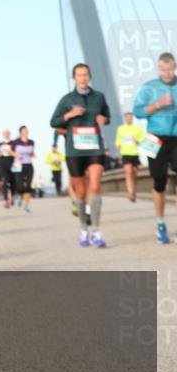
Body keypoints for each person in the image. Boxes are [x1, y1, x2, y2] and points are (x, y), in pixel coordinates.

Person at [50, 63, 111, 248]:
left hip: (95, 149)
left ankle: (97, 232)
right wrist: (69, 115)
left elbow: (107, 116)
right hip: (75, 150)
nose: (83, 78)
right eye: (79, 75)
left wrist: (104, 119)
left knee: (95, 187)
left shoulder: (99, 97)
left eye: (85, 75)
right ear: (74, 77)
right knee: (81, 192)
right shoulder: (67, 99)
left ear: (89, 76)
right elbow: (53, 121)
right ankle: (84, 230)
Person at [133, 51, 177, 244]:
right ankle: (160, 223)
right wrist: (158, 104)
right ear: (159, 68)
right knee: (159, 181)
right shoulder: (149, 87)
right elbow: (138, 112)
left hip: (176, 137)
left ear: (175, 67)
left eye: (170, 69)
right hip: (154, 137)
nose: (167, 73)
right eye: (163, 69)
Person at [115, 111, 146, 202]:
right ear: (125, 119)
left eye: (130, 117)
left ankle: (133, 189)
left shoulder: (137, 128)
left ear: (132, 118)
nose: (128, 119)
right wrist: (118, 145)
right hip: (125, 153)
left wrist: (136, 140)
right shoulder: (121, 128)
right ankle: (130, 192)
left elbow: (143, 139)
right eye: (127, 117)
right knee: (128, 172)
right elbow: (118, 139)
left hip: (135, 153)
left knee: (134, 172)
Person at [10, 125, 37, 212]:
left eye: (27, 130)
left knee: (28, 186)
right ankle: (20, 198)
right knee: (20, 186)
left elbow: (32, 152)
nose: (26, 131)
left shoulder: (31, 142)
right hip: (18, 165)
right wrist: (15, 154)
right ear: (21, 132)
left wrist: (33, 154)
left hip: (28, 165)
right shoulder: (16, 142)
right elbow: (10, 151)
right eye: (24, 130)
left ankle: (26, 205)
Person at [0, 129, 16, 208]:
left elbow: (16, 153)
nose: (6, 135)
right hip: (2, 163)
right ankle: (6, 200)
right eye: (5, 133)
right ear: (3, 134)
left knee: (12, 181)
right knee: (4, 181)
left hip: (11, 162)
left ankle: (12, 196)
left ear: (10, 134)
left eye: (8, 133)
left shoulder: (13, 143)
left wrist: (11, 152)